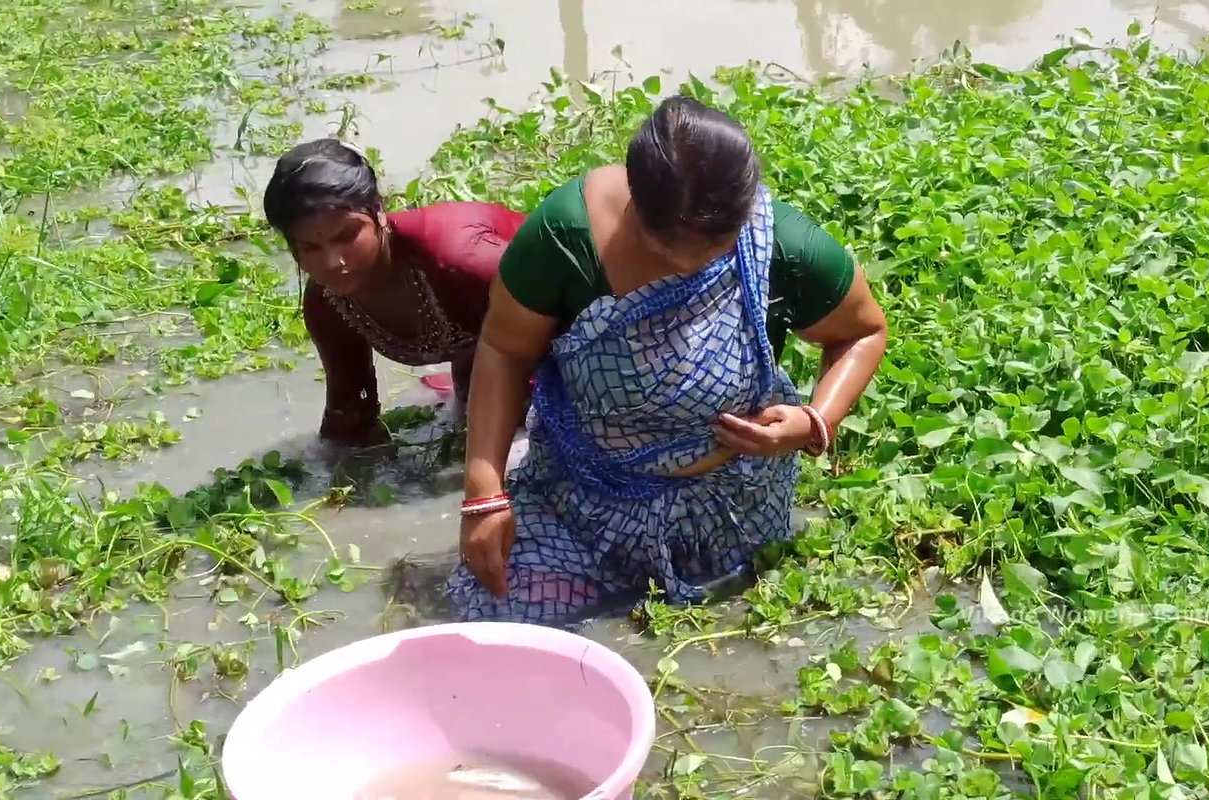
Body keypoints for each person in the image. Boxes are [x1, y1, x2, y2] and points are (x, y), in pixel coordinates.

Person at [448, 95, 889, 626]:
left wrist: (815, 421)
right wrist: (483, 494)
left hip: (733, 506)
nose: (687, 263)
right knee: (496, 615)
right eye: (663, 246)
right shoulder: (566, 237)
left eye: (714, 247)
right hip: (582, 503)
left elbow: (863, 330)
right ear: (634, 198)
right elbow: (503, 350)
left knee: (746, 623)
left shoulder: (782, 243)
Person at [263, 139, 527, 446]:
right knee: (471, 410)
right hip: (488, 358)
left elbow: (567, 326)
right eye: (310, 247)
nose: (333, 262)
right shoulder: (327, 301)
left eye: (348, 235)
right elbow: (350, 412)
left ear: (379, 212)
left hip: (567, 332)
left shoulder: (463, 261)